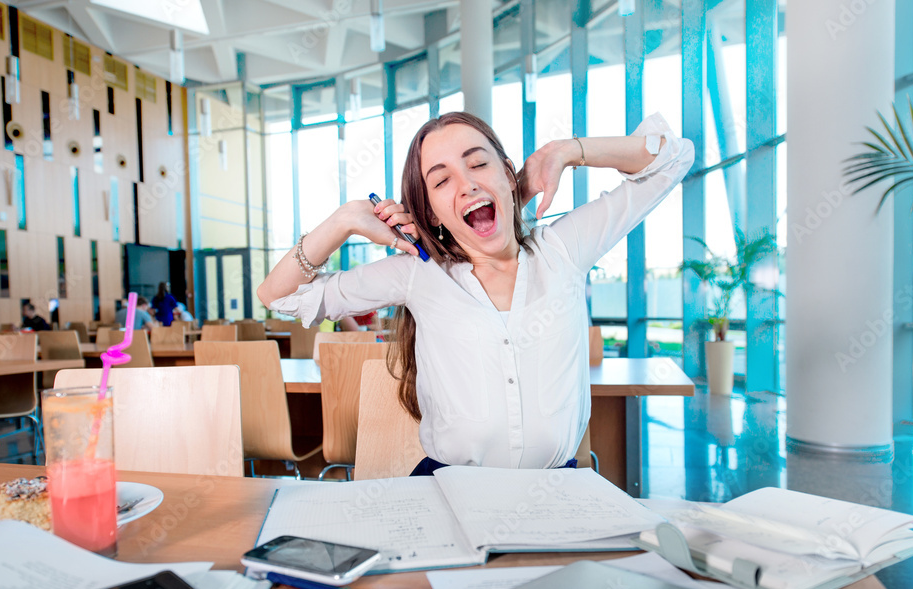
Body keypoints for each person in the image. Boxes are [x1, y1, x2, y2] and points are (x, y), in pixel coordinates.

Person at [258, 112, 693, 475]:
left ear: (508, 175)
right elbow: (279, 296)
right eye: (441, 180)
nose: (465, 185)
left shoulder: (563, 249)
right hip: (446, 489)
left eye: (478, 164)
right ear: (431, 211)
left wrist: (566, 150)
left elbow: (673, 158)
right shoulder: (418, 273)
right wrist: (345, 220)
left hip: (555, 492)